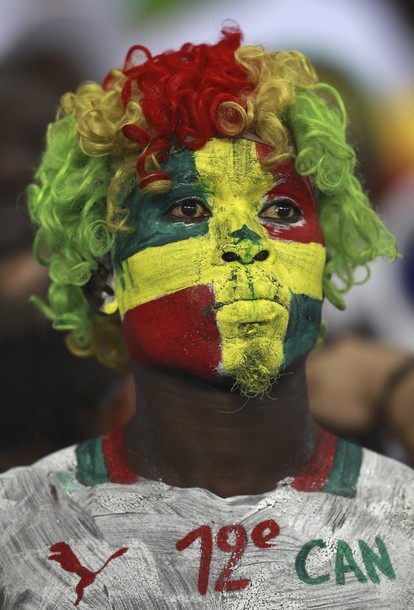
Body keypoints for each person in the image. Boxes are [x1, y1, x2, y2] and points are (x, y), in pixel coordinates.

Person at [0, 26, 413, 608]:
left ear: (323, 261)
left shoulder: (405, 525)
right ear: (104, 278)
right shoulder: (17, 530)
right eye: (188, 207)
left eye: (281, 208)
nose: (246, 241)